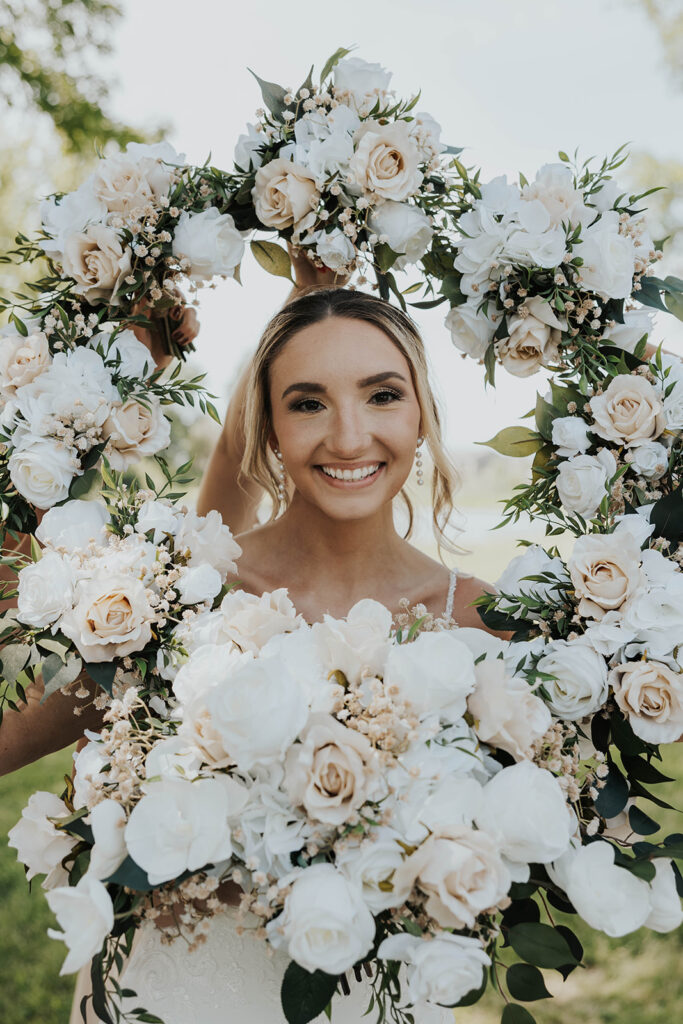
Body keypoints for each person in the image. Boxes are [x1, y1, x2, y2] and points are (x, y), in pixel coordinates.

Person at [2, 261, 502, 1024]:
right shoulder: (172, 596)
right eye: (307, 402)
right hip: (167, 997)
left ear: (422, 411)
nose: (348, 434)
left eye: (382, 394)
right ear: (266, 425)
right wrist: (56, 437)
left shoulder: (479, 621)